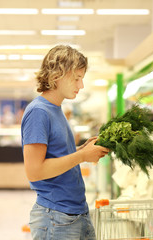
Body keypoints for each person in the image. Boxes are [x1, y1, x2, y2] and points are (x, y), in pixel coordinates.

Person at [21, 45, 110, 240]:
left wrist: (82, 149)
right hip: (56, 218)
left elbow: (55, 155)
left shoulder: (56, 109)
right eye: (76, 79)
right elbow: (34, 171)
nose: (81, 86)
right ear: (57, 76)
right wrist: (81, 156)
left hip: (75, 212)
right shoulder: (39, 112)